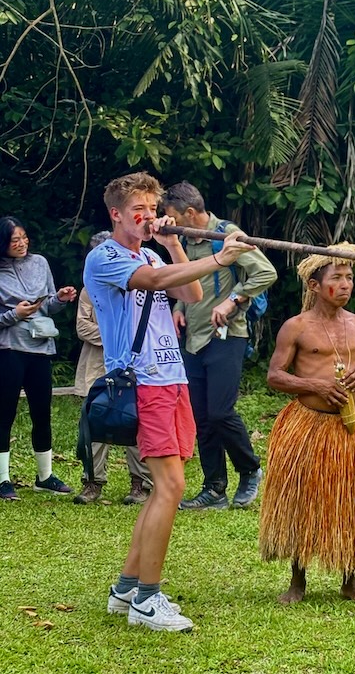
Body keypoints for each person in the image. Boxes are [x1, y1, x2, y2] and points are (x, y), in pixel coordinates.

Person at [84, 172, 253, 632]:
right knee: (172, 488)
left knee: (165, 488)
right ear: (116, 214)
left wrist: (178, 245)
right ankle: (147, 600)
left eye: (152, 209)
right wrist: (220, 257)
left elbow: (190, 294)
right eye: (138, 209)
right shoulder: (106, 257)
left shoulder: (155, 250)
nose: (147, 216)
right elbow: (154, 280)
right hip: (143, 381)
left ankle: (126, 590)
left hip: (171, 376)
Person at [258, 243, 355, 604]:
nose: (345, 285)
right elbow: (274, 376)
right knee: (304, 499)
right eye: (337, 278)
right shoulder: (296, 327)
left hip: (351, 426)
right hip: (308, 425)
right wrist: (312, 384)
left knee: (352, 499)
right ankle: (297, 582)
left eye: (349, 277)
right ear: (315, 286)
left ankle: (351, 581)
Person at [162, 181, 277, 510]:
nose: (168, 223)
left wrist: (233, 300)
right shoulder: (182, 240)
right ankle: (214, 488)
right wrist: (178, 309)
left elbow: (265, 273)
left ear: (190, 213)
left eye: (172, 217)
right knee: (201, 416)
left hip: (226, 336)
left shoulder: (227, 234)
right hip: (193, 338)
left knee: (220, 411)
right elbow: (187, 278)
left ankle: (250, 468)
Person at [0, 216, 77, 500]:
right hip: (8, 349)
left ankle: (44, 476)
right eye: (13, 240)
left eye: (23, 237)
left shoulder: (40, 263)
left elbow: (48, 306)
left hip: (40, 348)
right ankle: (3, 479)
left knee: (42, 412)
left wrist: (60, 297)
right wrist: (14, 315)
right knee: (4, 415)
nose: (21, 244)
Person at [73, 231, 153, 506]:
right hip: (99, 366)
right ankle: (92, 482)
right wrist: (116, 337)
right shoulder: (89, 289)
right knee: (95, 423)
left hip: (136, 367)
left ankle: (140, 483)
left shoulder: (143, 287)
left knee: (134, 421)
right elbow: (83, 327)